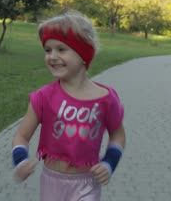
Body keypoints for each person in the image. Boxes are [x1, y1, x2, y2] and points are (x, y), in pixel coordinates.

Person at [11, 11, 126, 201]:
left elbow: (118, 135)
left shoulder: (106, 98)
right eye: (48, 50)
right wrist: (20, 160)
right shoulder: (43, 97)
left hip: (88, 183)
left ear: (83, 54)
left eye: (61, 49)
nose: (52, 56)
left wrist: (109, 164)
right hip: (52, 182)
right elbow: (21, 136)